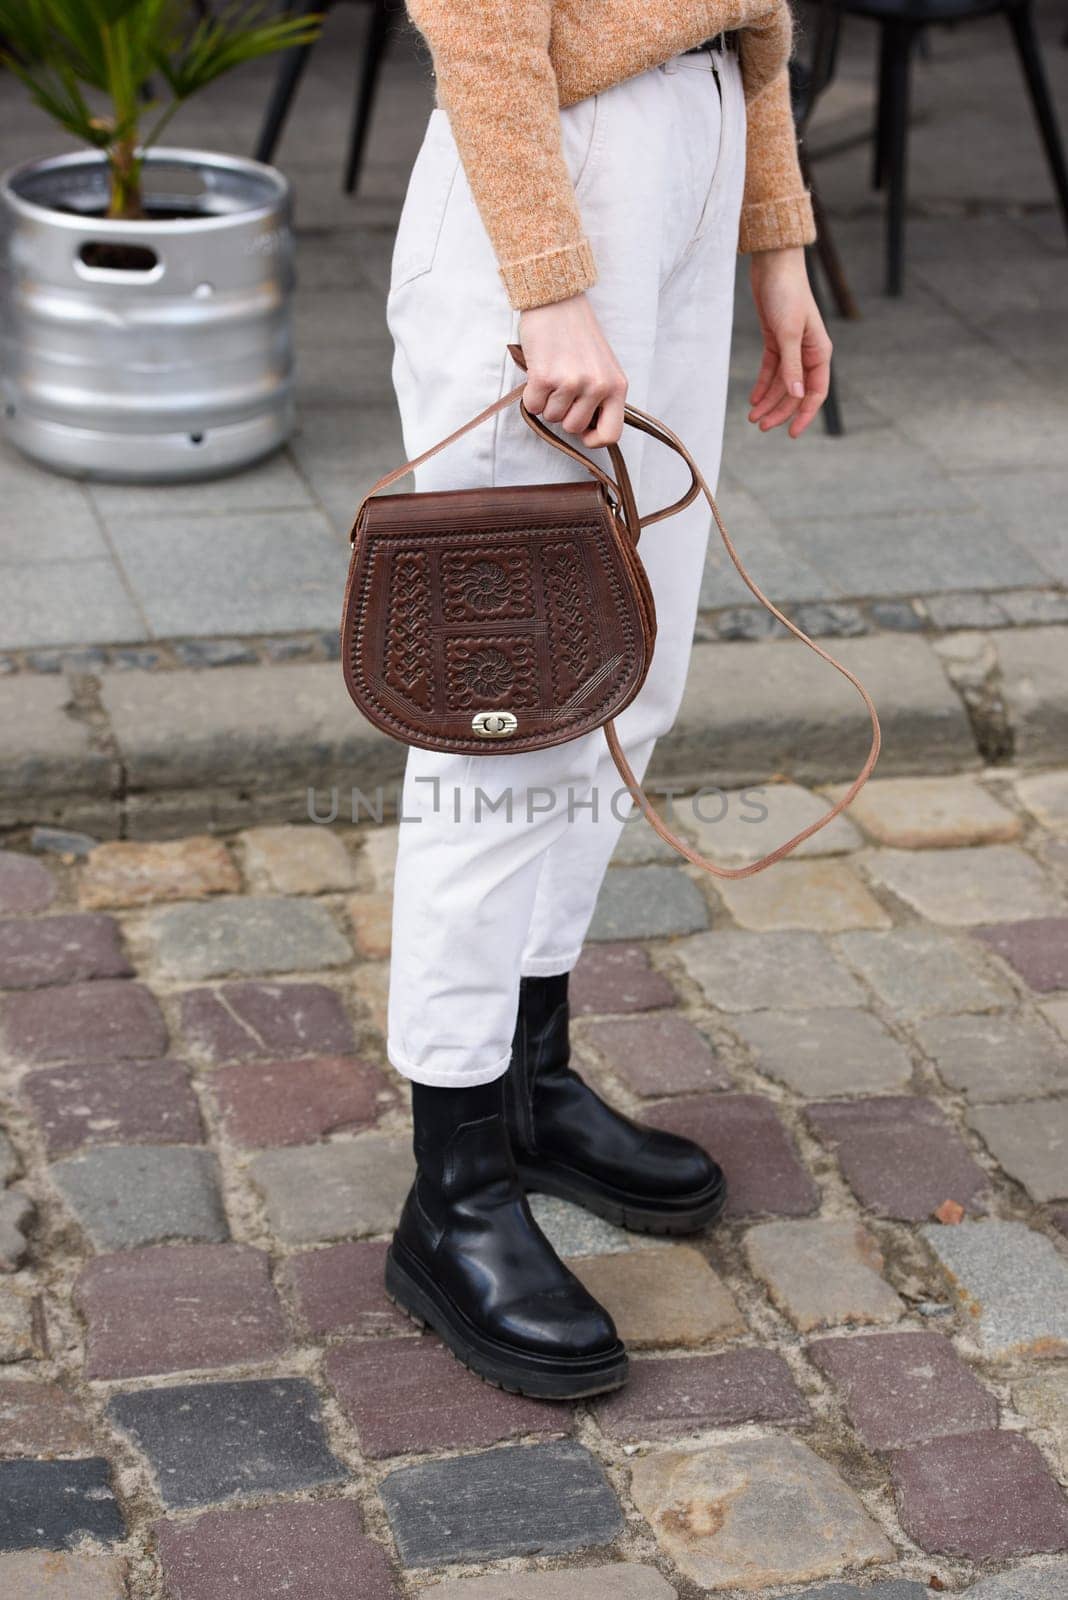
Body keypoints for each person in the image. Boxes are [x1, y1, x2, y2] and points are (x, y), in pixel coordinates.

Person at [380, 0, 833, 1399]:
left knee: (628, 684)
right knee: (503, 715)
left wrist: (774, 239)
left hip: (689, 153)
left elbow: (751, 15)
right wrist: (546, 277)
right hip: (556, 177)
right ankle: (451, 1189)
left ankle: (528, 1081)